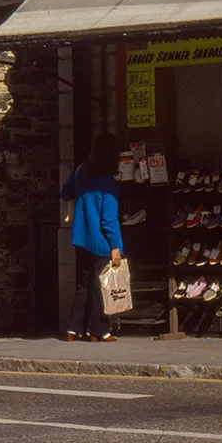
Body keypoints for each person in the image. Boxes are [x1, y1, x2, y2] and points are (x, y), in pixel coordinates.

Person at [61, 133, 124, 343]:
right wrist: (116, 246)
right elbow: (109, 219)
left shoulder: (81, 171)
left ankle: (73, 328)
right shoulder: (108, 181)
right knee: (101, 286)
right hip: (100, 240)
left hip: (81, 236)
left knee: (83, 285)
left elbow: (65, 192)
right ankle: (99, 330)